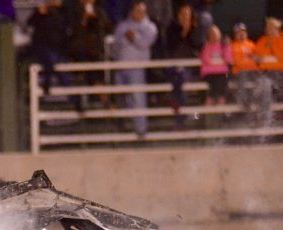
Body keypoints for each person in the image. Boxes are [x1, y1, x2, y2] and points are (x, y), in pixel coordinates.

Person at [112, 1, 158, 137]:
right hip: (120, 67)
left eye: (142, 11)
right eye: (137, 10)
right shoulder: (122, 25)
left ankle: (141, 130)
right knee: (121, 99)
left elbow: (145, 43)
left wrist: (134, 36)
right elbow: (116, 44)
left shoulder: (150, 27)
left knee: (138, 99)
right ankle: (121, 128)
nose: (139, 14)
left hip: (137, 68)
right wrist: (127, 38)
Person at [67, 0, 112, 105]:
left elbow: (108, 28)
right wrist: (84, 19)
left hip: (95, 53)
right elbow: (71, 32)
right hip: (79, 53)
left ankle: (107, 107)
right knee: (79, 81)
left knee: (98, 80)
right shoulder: (73, 12)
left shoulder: (100, 12)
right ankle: (79, 107)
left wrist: (97, 20)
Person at [164, 4, 201, 118]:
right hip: (173, 66)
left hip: (190, 68)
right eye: (182, 14)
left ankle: (181, 115)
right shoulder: (171, 30)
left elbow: (197, 48)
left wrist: (188, 31)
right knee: (178, 79)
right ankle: (180, 116)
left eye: (187, 15)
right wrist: (183, 32)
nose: (184, 17)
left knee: (182, 80)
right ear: (178, 15)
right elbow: (170, 47)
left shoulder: (196, 31)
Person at [28, 0, 69, 94]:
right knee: (51, 59)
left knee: (61, 69)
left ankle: (75, 101)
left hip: (58, 48)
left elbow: (66, 28)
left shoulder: (62, 12)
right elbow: (29, 23)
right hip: (42, 47)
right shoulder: (40, 12)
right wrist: (40, 14)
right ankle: (47, 83)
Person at [199, 24, 230, 106]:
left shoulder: (224, 46)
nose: (214, 36)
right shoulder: (207, 46)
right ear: (209, 36)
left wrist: (227, 47)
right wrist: (218, 62)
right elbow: (205, 58)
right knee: (214, 81)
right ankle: (210, 98)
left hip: (221, 72)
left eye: (216, 34)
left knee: (224, 80)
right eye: (212, 34)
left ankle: (221, 97)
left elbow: (227, 59)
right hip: (209, 73)